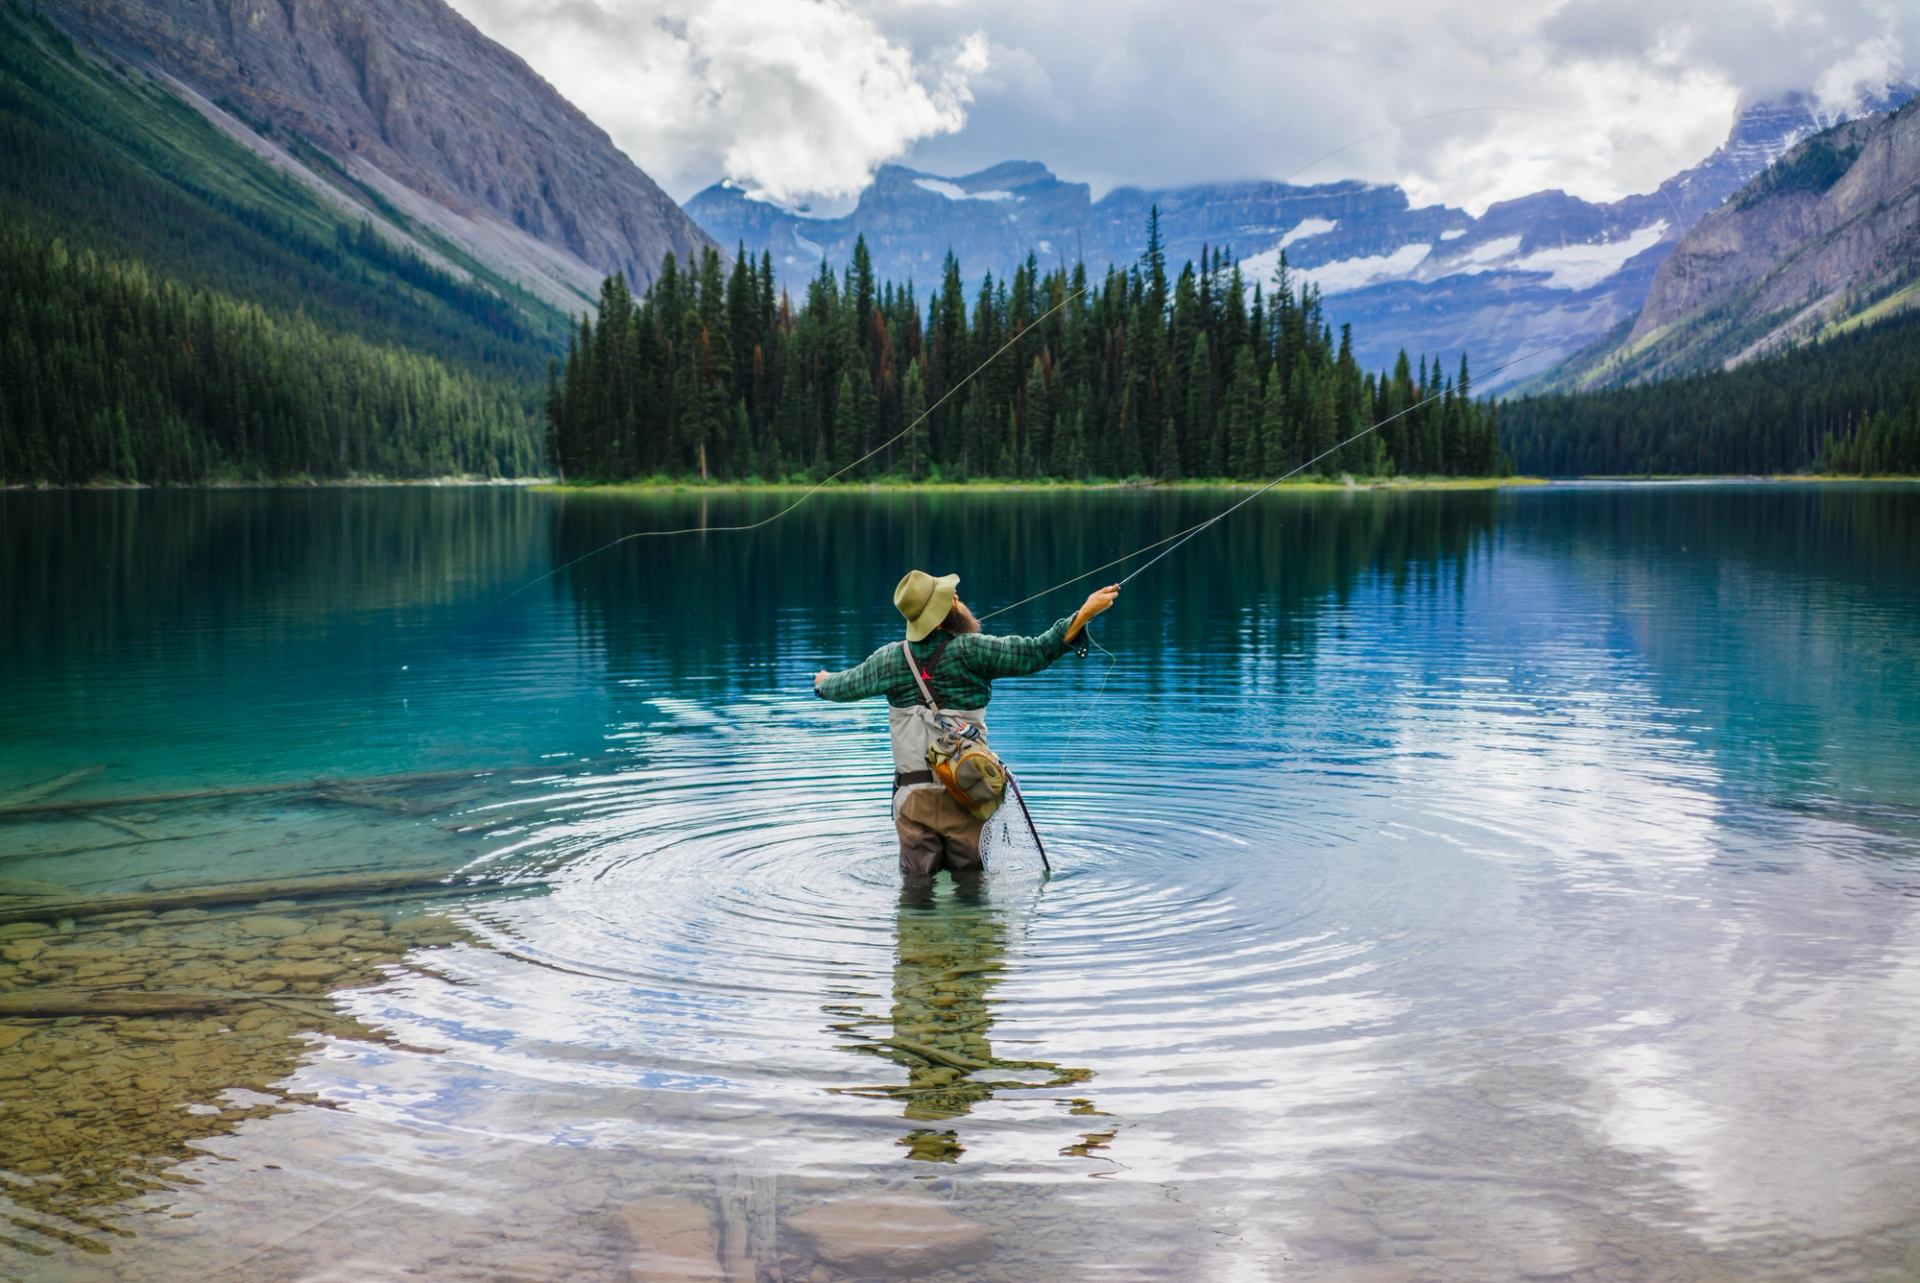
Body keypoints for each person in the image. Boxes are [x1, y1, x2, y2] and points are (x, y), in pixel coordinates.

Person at [813, 570, 1119, 879]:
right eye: (951, 597)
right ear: (944, 611)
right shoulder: (972, 650)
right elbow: (1037, 652)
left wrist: (823, 683)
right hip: (966, 794)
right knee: (972, 888)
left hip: (912, 799)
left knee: (915, 891)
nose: (958, 599)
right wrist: (1084, 613)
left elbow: (842, 687)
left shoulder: (889, 659)